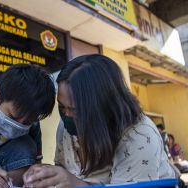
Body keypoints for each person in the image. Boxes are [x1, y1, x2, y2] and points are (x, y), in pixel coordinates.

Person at [23, 54, 176, 187]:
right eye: (62, 107)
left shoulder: (139, 136)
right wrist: (46, 176)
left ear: (105, 105)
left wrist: (76, 184)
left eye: (76, 110)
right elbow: (62, 168)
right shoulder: (65, 127)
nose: (67, 115)